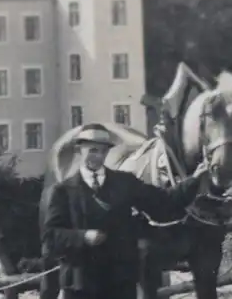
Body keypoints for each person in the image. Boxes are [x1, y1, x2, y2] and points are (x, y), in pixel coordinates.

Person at [41, 123, 207, 299]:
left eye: (103, 151)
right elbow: (50, 237)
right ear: (79, 150)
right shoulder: (63, 191)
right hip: (80, 286)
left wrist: (193, 181)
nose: (98, 157)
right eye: (92, 150)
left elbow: (163, 203)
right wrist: (83, 236)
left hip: (120, 284)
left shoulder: (125, 183)